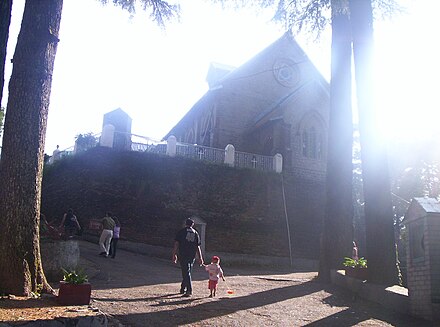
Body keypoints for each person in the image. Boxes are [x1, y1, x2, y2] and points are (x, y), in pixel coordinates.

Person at [172, 217, 204, 297]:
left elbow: (176, 244)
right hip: (192, 255)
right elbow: (198, 246)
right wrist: (200, 257)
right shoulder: (196, 233)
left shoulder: (181, 232)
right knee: (187, 271)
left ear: (186, 223)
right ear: (192, 225)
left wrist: (174, 254)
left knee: (186, 271)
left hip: (183, 254)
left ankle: (189, 290)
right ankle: (182, 288)